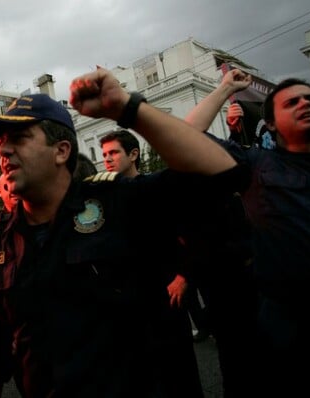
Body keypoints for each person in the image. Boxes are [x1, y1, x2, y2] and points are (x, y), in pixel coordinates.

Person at [0, 65, 245, 398]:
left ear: (61, 151)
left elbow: (222, 175)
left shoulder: (119, 202)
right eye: (0, 143)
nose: (4, 150)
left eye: (20, 139)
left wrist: (127, 108)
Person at [185, 68, 310, 397]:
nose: (305, 104)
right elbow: (189, 134)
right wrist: (225, 88)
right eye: (292, 102)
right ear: (269, 124)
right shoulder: (257, 165)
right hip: (289, 326)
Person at [99, 129, 203, 397]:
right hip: (131, 299)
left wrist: (183, 277)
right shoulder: (106, 197)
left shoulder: (156, 187)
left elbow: (190, 233)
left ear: (133, 154)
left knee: (179, 368)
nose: (107, 159)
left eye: (113, 153)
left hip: (166, 293)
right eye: (104, 155)